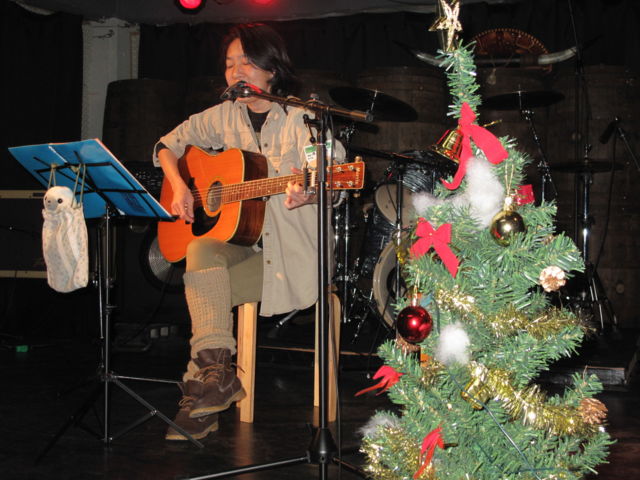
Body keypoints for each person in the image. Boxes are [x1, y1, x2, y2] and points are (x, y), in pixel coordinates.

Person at [154, 23, 345, 441]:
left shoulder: (304, 119)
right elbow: (166, 146)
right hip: (246, 247)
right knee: (201, 250)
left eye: (245, 62)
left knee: (205, 289)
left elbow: (331, 180)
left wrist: (309, 195)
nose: (235, 71)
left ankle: (204, 394)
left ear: (271, 69)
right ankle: (216, 377)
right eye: (229, 64)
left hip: (294, 259)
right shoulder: (223, 116)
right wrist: (181, 186)